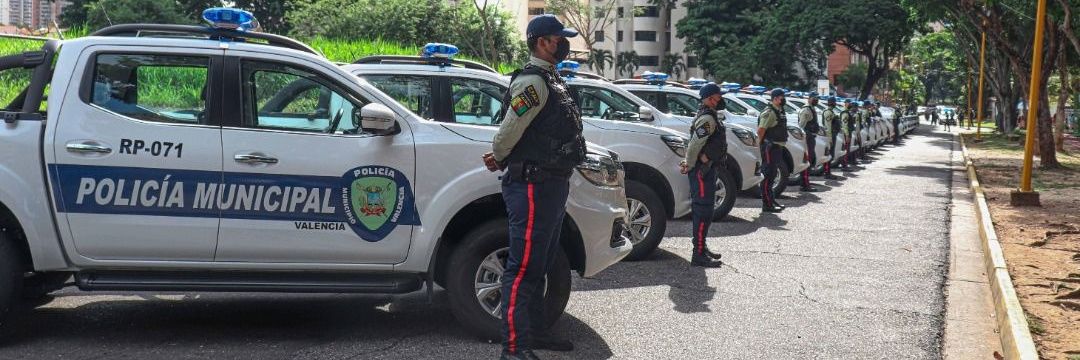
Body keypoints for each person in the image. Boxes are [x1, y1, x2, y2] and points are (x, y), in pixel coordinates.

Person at [482, 14, 584, 360]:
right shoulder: (532, 82)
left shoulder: (550, 79)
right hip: (532, 185)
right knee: (524, 267)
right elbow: (510, 129)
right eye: (559, 38)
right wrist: (498, 155)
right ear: (542, 41)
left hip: (551, 184)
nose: (564, 44)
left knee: (541, 264)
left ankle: (534, 333)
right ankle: (514, 348)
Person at [678, 83, 727, 268]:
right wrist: (689, 164)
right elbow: (695, 144)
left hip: (707, 168)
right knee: (702, 210)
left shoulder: (710, 115)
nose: (720, 99)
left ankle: (701, 247)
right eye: (717, 96)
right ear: (708, 98)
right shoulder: (707, 118)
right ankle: (698, 253)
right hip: (701, 170)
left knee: (707, 211)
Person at [756, 88, 787, 213]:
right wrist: (760, 147)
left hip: (776, 147)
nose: (783, 99)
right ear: (774, 99)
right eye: (781, 97)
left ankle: (771, 199)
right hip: (770, 147)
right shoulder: (769, 112)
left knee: (773, 174)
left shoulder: (778, 111)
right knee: (768, 175)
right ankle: (767, 203)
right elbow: (761, 130)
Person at [797, 93, 821, 192]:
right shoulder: (806, 110)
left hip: (811, 137)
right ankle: (804, 184)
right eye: (814, 98)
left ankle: (805, 182)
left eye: (817, 99)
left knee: (811, 159)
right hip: (807, 138)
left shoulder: (812, 109)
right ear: (809, 99)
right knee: (807, 160)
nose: (816, 100)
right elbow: (801, 126)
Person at [821, 96, 842, 179]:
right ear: (831, 103)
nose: (835, 103)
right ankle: (827, 173)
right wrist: (829, 139)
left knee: (831, 155)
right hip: (830, 135)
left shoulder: (831, 112)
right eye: (834, 102)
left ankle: (828, 172)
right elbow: (828, 126)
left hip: (833, 134)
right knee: (829, 155)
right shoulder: (828, 112)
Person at [841, 99, 858, 168]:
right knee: (845, 150)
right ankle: (844, 165)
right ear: (845, 104)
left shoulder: (848, 112)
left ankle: (845, 164)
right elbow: (845, 125)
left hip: (848, 133)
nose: (850, 104)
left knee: (847, 149)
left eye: (850, 103)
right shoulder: (845, 113)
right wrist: (847, 135)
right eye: (849, 103)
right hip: (846, 134)